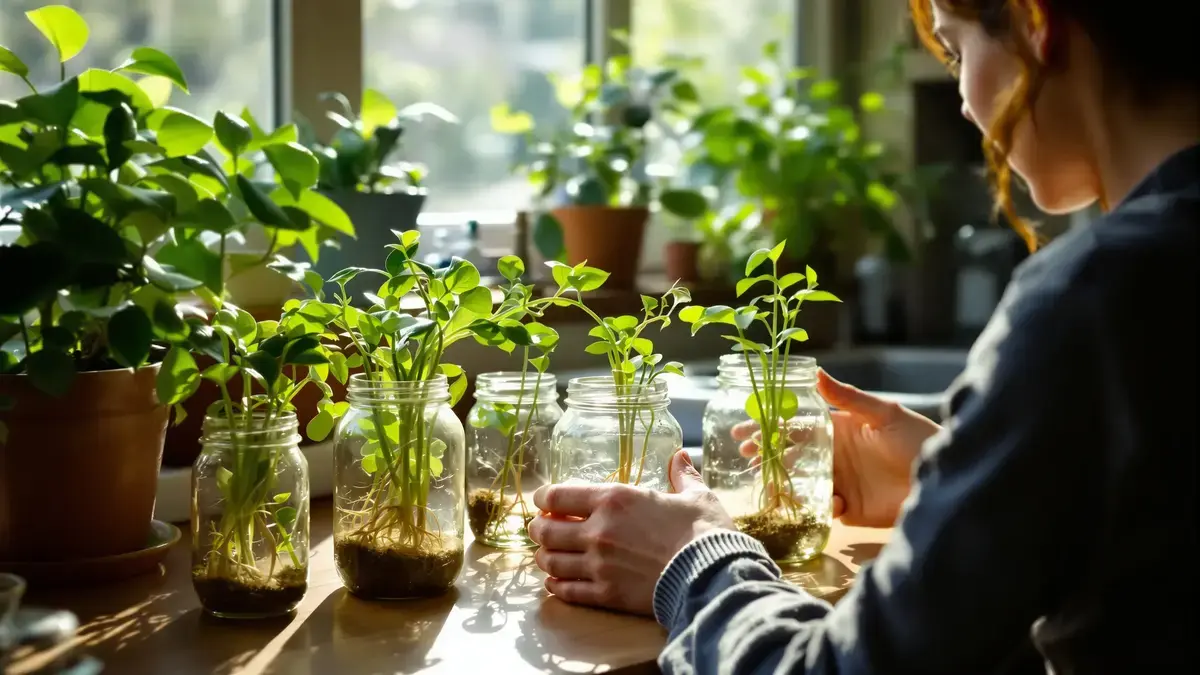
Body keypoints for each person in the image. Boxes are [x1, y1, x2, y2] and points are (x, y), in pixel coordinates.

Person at [527, 0, 1198, 672]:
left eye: (958, 51)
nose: (965, 104)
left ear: (1034, 23)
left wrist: (696, 556)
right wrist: (970, 476)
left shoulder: (1098, 293)